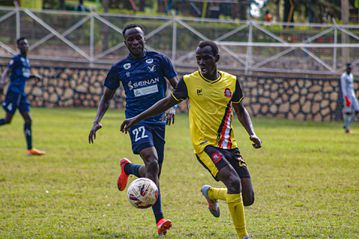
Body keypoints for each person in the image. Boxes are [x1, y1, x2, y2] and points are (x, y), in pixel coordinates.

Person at [120, 40, 262, 239]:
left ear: (217, 59)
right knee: (233, 182)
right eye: (198, 59)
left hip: (230, 145)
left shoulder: (231, 82)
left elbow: (240, 109)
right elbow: (167, 102)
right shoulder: (189, 82)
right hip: (205, 145)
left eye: (206, 58)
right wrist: (137, 118)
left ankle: (211, 193)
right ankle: (243, 236)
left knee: (247, 198)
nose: (202, 62)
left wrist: (252, 133)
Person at [88, 24, 178, 236]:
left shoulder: (160, 60)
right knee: (152, 162)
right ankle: (160, 219)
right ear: (125, 43)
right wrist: (96, 120)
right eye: (131, 40)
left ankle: (128, 169)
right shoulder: (120, 68)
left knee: (151, 172)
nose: (135, 42)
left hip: (158, 122)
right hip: (135, 121)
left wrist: (172, 106)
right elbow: (107, 97)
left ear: (144, 38)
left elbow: (177, 87)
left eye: (138, 38)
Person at [0, 37, 45, 156]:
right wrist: (2, 82)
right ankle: (30, 149)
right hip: (14, 92)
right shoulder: (16, 59)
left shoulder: (26, 61)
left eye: (26, 44)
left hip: (21, 94)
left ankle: (30, 149)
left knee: (28, 119)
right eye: (22, 44)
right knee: (7, 120)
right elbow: (6, 71)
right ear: (18, 47)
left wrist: (33, 76)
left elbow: (24, 76)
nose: (25, 46)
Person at [340, 63, 359, 133]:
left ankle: (346, 124)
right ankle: (347, 128)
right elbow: (343, 88)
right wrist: (346, 98)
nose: (350, 70)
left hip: (352, 95)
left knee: (357, 109)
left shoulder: (351, 75)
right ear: (346, 69)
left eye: (351, 69)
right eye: (348, 68)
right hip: (347, 96)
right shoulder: (343, 76)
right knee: (348, 112)